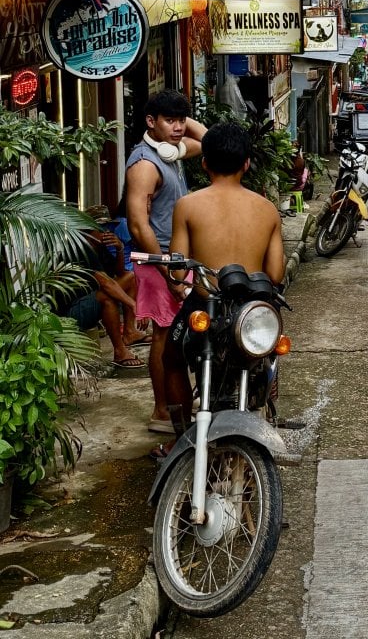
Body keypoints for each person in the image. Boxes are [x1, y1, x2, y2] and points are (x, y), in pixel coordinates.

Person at [158, 123, 284, 451]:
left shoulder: (188, 205)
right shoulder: (267, 209)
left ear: (204, 163)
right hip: (251, 308)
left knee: (171, 358)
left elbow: (177, 270)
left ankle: (181, 437)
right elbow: (275, 273)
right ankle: (265, 389)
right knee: (269, 347)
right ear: (247, 164)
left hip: (206, 304)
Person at [126, 90, 207, 434]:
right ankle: (162, 410)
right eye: (169, 120)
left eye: (180, 121)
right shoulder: (145, 164)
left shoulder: (170, 152)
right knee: (164, 334)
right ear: (150, 121)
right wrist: (167, 271)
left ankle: (175, 403)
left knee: (177, 332)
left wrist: (181, 120)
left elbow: (208, 142)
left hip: (175, 258)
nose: (178, 128)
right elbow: (137, 224)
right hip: (158, 258)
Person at [55, 215, 144, 369]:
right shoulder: (79, 248)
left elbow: (120, 273)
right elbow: (106, 283)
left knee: (131, 277)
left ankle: (130, 332)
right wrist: (134, 305)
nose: (107, 232)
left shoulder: (99, 247)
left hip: (88, 300)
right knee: (106, 297)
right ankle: (120, 351)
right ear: (88, 230)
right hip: (68, 313)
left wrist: (120, 249)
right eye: (102, 229)